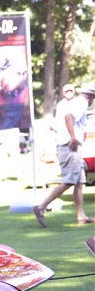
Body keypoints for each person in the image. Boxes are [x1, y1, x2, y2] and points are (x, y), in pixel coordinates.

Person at [32, 83, 95, 227]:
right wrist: (73, 137)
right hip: (70, 146)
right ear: (91, 96)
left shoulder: (75, 103)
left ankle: (81, 216)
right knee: (69, 181)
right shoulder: (82, 104)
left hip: (71, 146)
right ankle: (41, 206)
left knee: (79, 182)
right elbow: (68, 117)